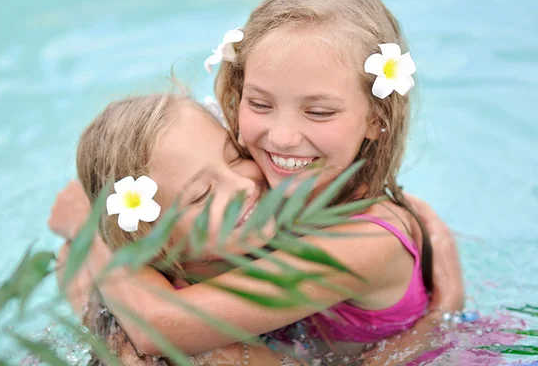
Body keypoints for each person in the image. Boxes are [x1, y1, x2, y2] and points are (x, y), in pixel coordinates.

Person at [50, 93, 463, 364]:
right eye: (200, 195)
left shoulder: (316, 227)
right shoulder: (216, 351)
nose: (244, 186)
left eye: (235, 157)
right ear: (155, 246)